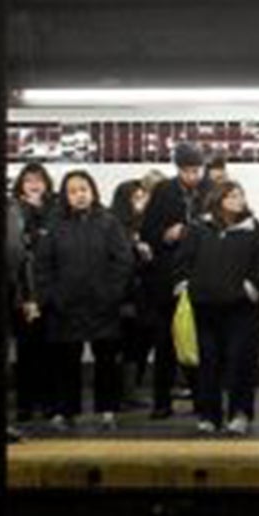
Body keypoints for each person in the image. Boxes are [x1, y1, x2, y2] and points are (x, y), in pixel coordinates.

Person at [39, 170, 137, 432]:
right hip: (65, 306)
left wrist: (112, 294)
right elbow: (43, 265)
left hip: (103, 305)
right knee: (65, 362)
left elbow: (124, 261)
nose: (79, 195)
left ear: (92, 191)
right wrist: (52, 295)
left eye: (84, 189)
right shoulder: (54, 224)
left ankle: (108, 411)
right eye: (73, 191)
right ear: (65, 195)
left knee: (106, 360)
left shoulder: (109, 222)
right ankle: (65, 411)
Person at [178, 180, 259, 436]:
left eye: (240, 195)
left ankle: (239, 414)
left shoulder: (255, 230)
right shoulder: (199, 228)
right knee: (208, 364)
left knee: (240, 363)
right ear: (218, 199)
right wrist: (190, 285)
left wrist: (250, 288)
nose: (238, 200)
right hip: (206, 308)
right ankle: (209, 416)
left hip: (242, 310)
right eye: (231, 196)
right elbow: (183, 261)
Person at [138, 144, 212, 419]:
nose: (193, 176)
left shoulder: (209, 190)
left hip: (201, 275)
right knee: (166, 342)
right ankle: (162, 401)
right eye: (187, 171)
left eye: (197, 170)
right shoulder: (164, 191)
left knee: (200, 340)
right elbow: (147, 231)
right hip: (167, 277)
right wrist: (166, 234)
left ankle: (202, 399)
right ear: (178, 169)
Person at [9, 162, 57, 426]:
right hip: (23, 290)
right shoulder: (13, 210)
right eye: (28, 180)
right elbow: (17, 253)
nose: (34, 184)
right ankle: (25, 405)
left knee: (51, 350)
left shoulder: (57, 209)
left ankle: (49, 403)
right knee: (27, 350)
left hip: (52, 289)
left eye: (39, 180)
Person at [111, 173, 160, 407]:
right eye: (136, 198)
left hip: (146, 294)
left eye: (144, 197)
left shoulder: (148, 223)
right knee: (126, 344)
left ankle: (131, 390)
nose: (141, 203)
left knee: (141, 342)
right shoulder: (114, 226)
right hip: (123, 295)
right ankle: (123, 393)